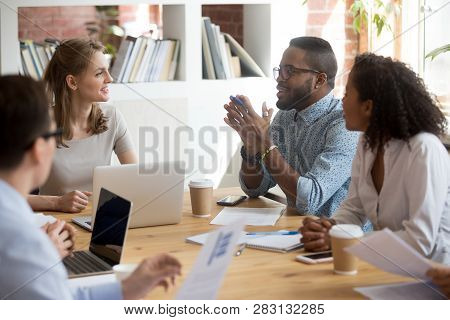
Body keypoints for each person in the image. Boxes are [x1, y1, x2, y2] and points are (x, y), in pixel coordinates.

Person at [0, 75, 181, 299]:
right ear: (39, 149)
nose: (109, 78)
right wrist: (40, 255)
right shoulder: (22, 241)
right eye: (53, 135)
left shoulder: (20, 232)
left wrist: (125, 288)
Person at [300, 53, 450, 265]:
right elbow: (354, 209)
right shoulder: (367, 143)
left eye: (347, 93)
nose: (341, 101)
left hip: (434, 279)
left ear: (368, 106)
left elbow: (420, 241)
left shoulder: (423, 149)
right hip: (388, 268)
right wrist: (329, 229)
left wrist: (345, 240)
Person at [224, 36, 358, 217]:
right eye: (280, 70)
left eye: (290, 71)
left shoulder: (345, 125)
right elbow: (255, 188)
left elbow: (309, 200)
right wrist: (251, 149)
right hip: (297, 231)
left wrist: (265, 142)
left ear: (319, 80)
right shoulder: (285, 117)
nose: (279, 78)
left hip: (341, 239)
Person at [28, 38, 137, 213]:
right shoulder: (39, 123)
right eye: (99, 73)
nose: (110, 79)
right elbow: (7, 195)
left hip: (100, 220)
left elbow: (136, 177)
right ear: (72, 82)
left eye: (107, 71)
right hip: (56, 226)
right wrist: (57, 202)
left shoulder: (112, 116)